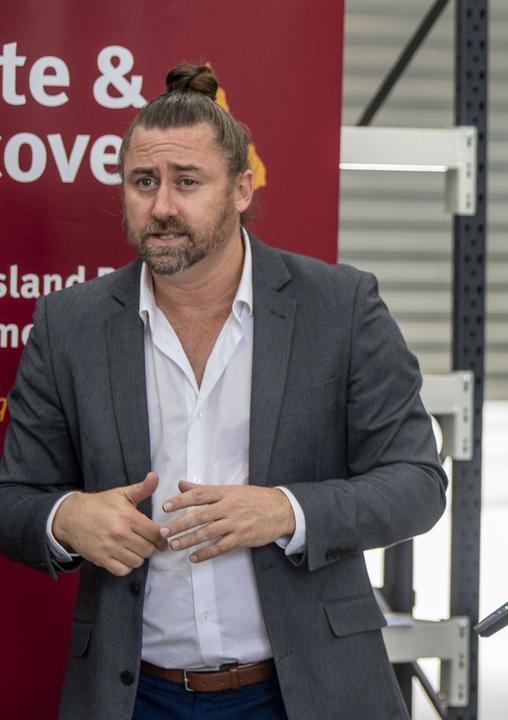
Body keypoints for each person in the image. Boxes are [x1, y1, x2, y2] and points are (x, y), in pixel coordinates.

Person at [0, 65, 446, 720]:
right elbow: (13, 498)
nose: (162, 207)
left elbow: (416, 484)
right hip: (134, 695)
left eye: (187, 182)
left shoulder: (340, 307)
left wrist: (285, 511)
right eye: (143, 183)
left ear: (241, 188)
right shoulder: (71, 324)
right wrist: (63, 518)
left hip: (306, 692)